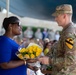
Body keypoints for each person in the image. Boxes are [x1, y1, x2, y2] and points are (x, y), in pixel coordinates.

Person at [38, 4, 76, 75]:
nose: (55, 19)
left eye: (57, 16)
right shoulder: (67, 30)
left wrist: (49, 61)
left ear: (64, 16)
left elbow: (71, 60)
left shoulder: (69, 34)